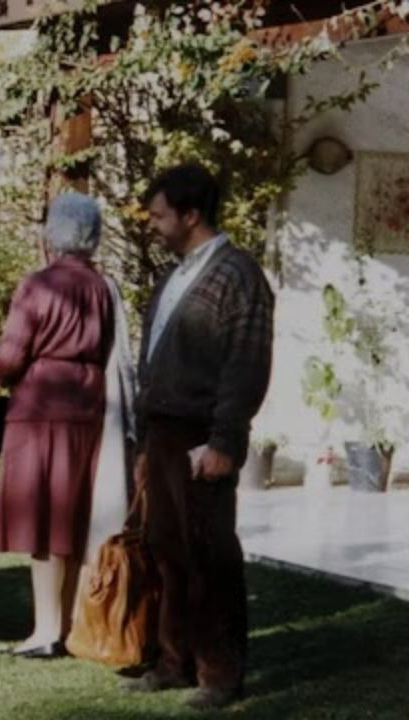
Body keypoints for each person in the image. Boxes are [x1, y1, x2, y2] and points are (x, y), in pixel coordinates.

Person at [122, 163, 273, 710]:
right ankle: (173, 660)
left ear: (190, 215)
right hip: (163, 432)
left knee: (210, 555)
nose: (152, 224)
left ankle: (220, 673)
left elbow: (246, 365)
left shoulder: (238, 276)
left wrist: (225, 441)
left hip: (202, 433)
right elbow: (152, 361)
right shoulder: (173, 277)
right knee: (167, 550)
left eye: (159, 215)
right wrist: (144, 444)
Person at [0, 191, 116, 659]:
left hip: (42, 404)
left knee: (43, 520)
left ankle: (44, 630)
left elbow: (10, 355)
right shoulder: (101, 287)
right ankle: (65, 624)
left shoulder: (38, 284)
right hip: (89, 403)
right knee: (73, 514)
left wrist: (1, 371)